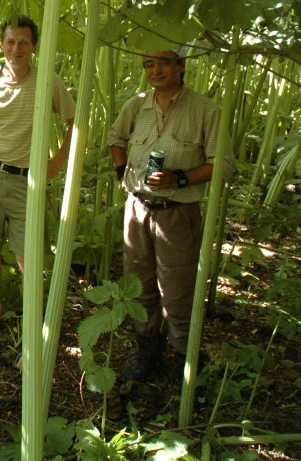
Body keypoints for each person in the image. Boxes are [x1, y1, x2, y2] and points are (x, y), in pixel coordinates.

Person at [108, 49, 233, 381]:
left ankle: (183, 357)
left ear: (181, 66)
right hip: (136, 209)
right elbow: (115, 138)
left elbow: (222, 163)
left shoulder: (206, 110)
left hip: (178, 213)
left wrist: (180, 178)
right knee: (139, 283)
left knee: (177, 289)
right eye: (149, 64)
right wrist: (123, 172)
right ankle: (147, 349)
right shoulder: (136, 105)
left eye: (163, 62)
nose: (155, 69)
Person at [0, 16, 75, 334]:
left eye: (23, 42)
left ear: (34, 46)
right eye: (10, 41)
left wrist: (56, 163)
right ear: (1, 44)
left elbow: (74, 122)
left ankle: (32, 322)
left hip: (27, 180)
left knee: (27, 256)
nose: (16, 48)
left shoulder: (49, 81)